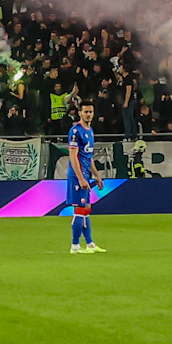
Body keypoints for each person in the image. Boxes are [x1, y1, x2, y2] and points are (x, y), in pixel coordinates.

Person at [66, 101, 103, 254]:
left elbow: (89, 157)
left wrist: (97, 175)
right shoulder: (75, 131)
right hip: (77, 175)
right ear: (79, 113)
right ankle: (75, 246)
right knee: (80, 209)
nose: (88, 114)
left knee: (87, 209)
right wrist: (81, 178)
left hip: (86, 175)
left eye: (91, 112)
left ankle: (90, 244)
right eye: (86, 112)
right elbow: (73, 156)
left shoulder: (90, 131)